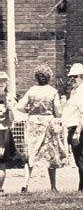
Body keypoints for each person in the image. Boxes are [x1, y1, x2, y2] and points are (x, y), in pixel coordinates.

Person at [16, 64, 68, 193]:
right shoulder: (52, 91)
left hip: (33, 122)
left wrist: (29, 110)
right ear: (49, 77)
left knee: (31, 154)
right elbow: (58, 112)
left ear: (36, 77)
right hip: (47, 123)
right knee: (50, 154)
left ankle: (25, 183)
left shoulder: (32, 90)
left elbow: (19, 106)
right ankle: (53, 186)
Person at [61, 63, 83, 192]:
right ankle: (82, 187)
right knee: (79, 160)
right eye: (70, 77)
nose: (71, 80)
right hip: (73, 127)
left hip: (79, 128)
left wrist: (77, 132)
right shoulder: (75, 91)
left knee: (82, 160)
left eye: (74, 77)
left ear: (82, 76)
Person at [0, 70, 20, 195]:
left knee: (2, 163)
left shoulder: (9, 98)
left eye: (3, 80)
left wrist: (11, 109)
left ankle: (0, 189)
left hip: (4, 132)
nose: (1, 83)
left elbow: (12, 120)